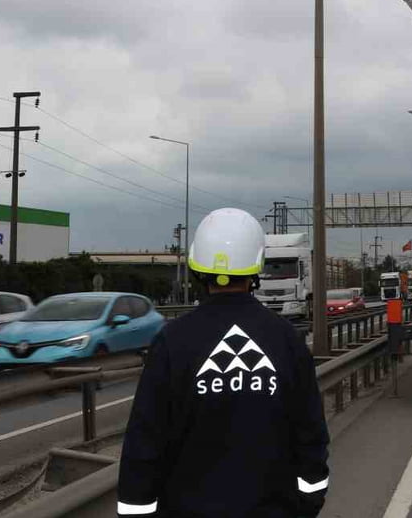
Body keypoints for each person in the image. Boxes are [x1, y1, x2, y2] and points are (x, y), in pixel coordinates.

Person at [117, 208, 329, 517]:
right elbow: (310, 435)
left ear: (197, 267)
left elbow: (145, 442)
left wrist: (136, 509)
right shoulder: (285, 338)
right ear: (257, 266)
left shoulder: (172, 341)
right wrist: (307, 504)